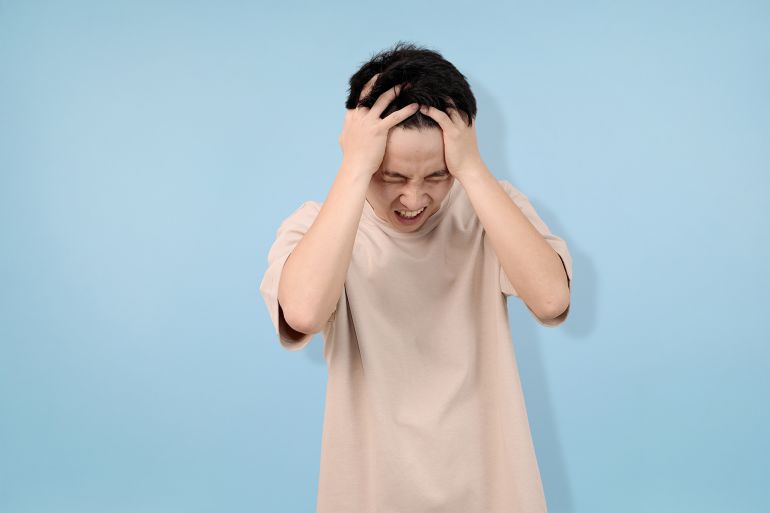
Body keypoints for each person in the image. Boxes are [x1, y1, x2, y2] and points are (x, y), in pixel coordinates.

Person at [259, 41, 572, 513]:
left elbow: (552, 300)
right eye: (391, 177)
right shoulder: (317, 227)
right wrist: (354, 166)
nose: (413, 199)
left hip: (491, 489)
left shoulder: (490, 209)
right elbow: (302, 312)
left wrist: (470, 168)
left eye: (437, 175)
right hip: (370, 493)